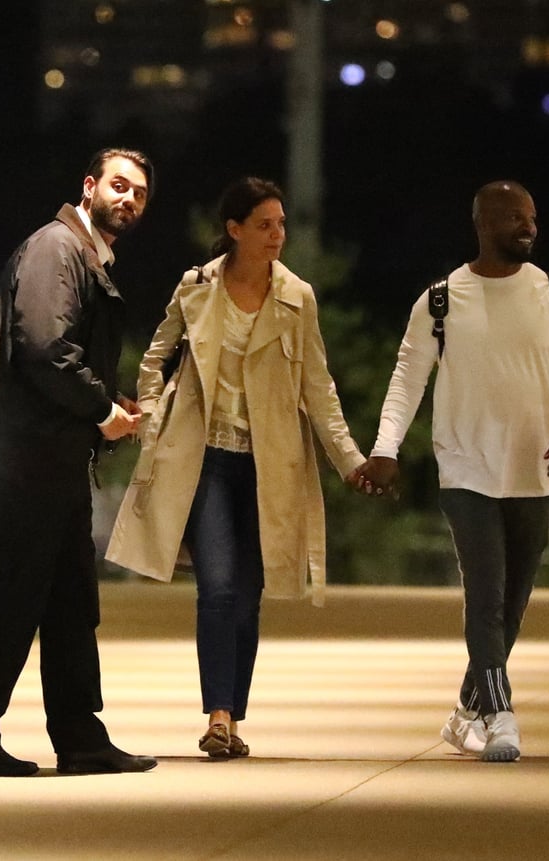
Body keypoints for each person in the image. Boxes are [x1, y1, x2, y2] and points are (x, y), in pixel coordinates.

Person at [106, 177, 366, 758]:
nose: (278, 235)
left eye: (281, 225)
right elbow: (156, 358)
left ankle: (232, 715)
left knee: (249, 591)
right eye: (265, 225)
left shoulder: (297, 298)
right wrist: (151, 424)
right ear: (235, 230)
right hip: (206, 460)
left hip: (270, 465)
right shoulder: (196, 287)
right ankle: (218, 716)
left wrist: (350, 461)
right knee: (219, 586)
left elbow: (318, 388)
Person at [353, 180, 549, 762]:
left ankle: (466, 712)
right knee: (485, 595)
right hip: (466, 468)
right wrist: (385, 448)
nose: (529, 227)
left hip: (536, 470)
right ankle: (501, 714)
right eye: (516, 218)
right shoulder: (440, 300)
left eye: (533, 217)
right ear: (484, 223)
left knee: (513, 601)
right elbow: (407, 379)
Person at [0, 148, 158, 776]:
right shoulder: (57, 249)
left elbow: (55, 349)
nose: (129, 199)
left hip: (50, 457)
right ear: (89, 187)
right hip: (31, 458)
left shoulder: (82, 255)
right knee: (15, 597)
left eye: (139, 193)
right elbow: (43, 346)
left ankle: (81, 737)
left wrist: (103, 404)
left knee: (67, 601)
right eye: (119, 186)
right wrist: (100, 409)